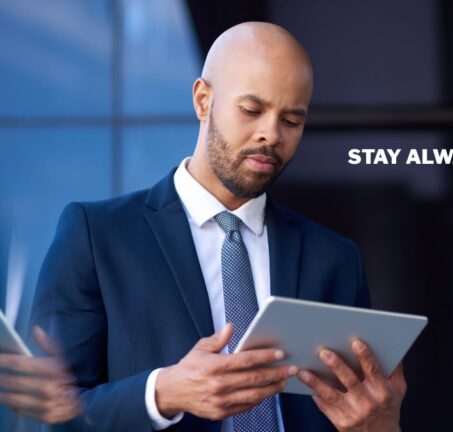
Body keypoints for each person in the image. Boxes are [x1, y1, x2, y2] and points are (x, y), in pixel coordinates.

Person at [30, 22, 406, 431]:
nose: (271, 134)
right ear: (203, 99)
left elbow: (358, 409)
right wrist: (162, 393)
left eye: (292, 120)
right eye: (252, 110)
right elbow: (45, 417)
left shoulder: (334, 260)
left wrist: (381, 426)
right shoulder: (97, 237)